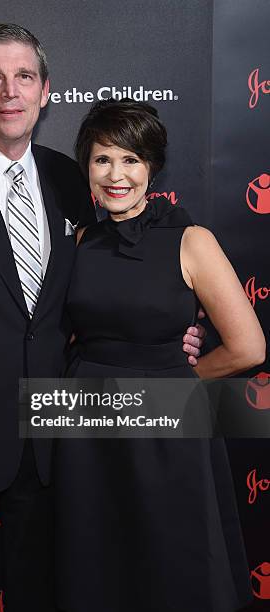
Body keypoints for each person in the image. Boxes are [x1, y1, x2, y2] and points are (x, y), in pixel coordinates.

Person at [0, 24, 203, 612]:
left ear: (46, 91)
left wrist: (169, 334)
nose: (10, 92)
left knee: (47, 591)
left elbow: (109, 278)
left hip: (57, 437)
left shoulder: (74, 178)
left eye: (24, 76)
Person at [55, 99, 265, 612]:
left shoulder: (191, 240)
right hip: (87, 426)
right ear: (87, 167)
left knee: (172, 563)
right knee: (96, 561)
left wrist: (180, 381)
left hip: (167, 429)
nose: (116, 174)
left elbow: (249, 347)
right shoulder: (81, 239)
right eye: (103, 159)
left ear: (152, 167)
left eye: (131, 160)